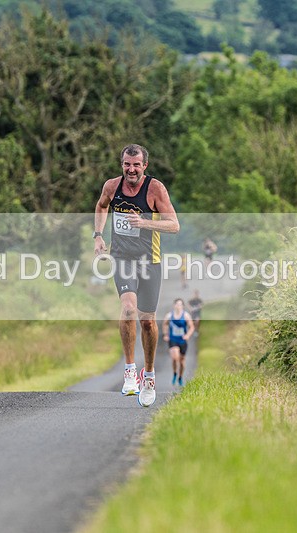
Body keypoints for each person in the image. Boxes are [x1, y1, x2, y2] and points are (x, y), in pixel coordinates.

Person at [94, 143, 180, 407]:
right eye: (127, 165)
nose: (131, 170)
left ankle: (149, 374)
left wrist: (145, 222)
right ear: (122, 165)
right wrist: (98, 236)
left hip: (150, 262)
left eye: (136, 165)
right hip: (122, 258)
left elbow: (174, 225)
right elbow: (101, 207)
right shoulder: (112, 186)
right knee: (129, 309)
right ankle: (130, 371)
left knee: (148, 322)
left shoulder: (155, 189)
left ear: (145, 166)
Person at [163, 298, 194, 387]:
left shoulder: (186, 316)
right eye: (177, 304)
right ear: (174, 305)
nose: (178, 306)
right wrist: (166, 334)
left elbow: (191, 327)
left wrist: (188, 335)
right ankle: (175, 373)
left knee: (182, 361)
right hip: (173, 340)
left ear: (183, 306)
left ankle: (180, 377)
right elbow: (165, 324)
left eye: (180, 304)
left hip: (182, 340)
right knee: (175, 357)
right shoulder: (169, 316)